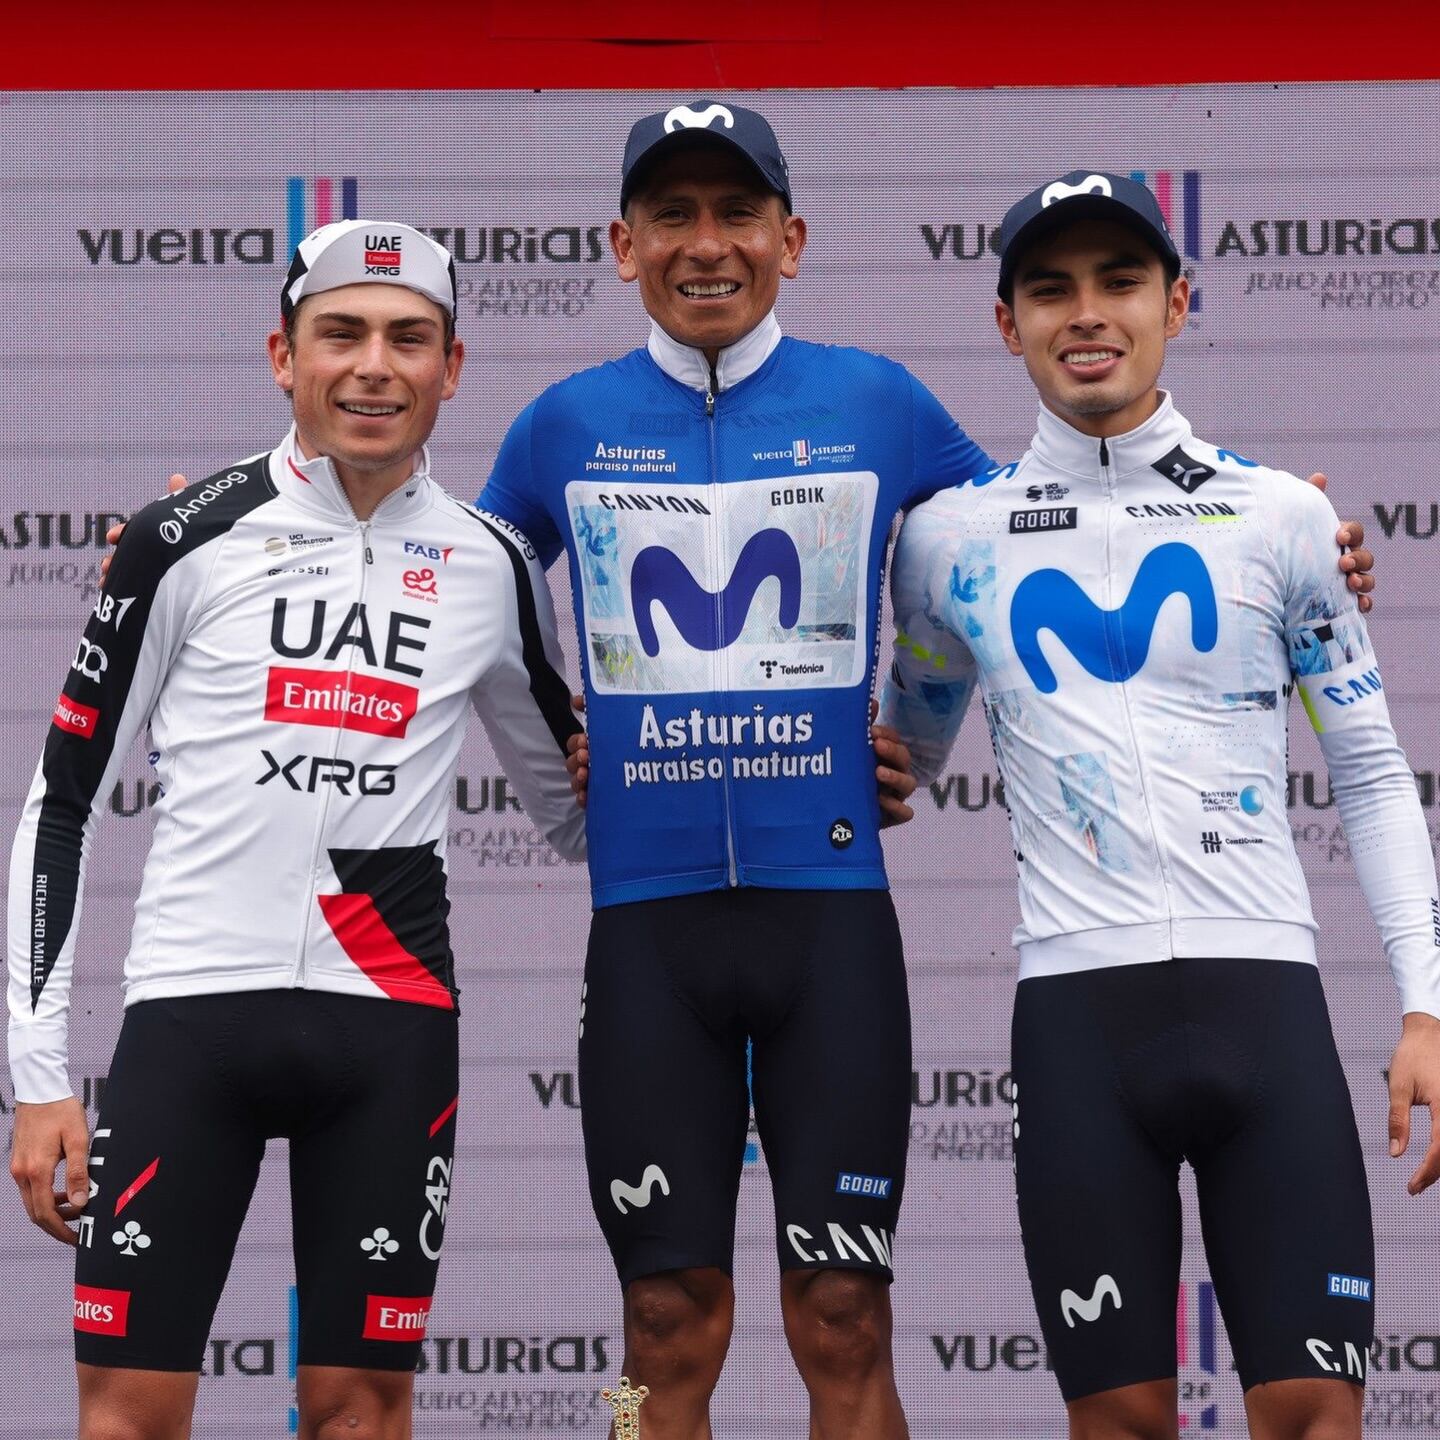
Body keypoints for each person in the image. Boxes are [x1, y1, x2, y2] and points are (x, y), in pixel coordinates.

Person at [478, 113, 1377, 1440]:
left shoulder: (879, 403)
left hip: (827, 922)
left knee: (842, 1315)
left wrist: (1293, 531)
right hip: (646, 933)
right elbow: (452, 583)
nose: (707, 241)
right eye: (673, 213)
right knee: (656, 1329)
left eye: (740, 211)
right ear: (624, 246)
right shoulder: (563, 424)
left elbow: (1048, 511)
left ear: (793, 240)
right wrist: (243, 534)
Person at [879, 170, 1440, 1440]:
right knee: (1119, 1427)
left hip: (1268, 1007)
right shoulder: (944, 541)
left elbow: (1367, 770)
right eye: (1050, 288)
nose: (1088, 314)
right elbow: (903, 748)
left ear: (1177, 303)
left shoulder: (1285, 517)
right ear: (1004, 321)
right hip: (1081, 1022)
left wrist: (1427, 1004)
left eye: (1121, 281)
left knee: (1313, 1419)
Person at [6, 220, 585, 1440]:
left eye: (407, 339)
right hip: (190, 1020)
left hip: (390, 1029)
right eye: (343, 334)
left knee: (364, 1408)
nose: (375, 366)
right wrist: (39, 1078)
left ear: (452, 366)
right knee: (127, 1412)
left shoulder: (490, 563)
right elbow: (61, 806)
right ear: (285, 356)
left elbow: (578, 812)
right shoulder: (180, 539)